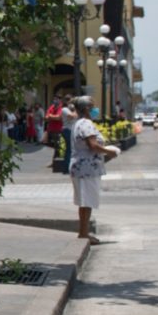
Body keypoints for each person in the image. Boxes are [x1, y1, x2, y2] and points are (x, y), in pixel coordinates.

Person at [69, 96, 117, 244]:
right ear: (87, 109)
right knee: (87, 201)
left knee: (84, 202)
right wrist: (110, 152)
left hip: (81, 166)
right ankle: (84, 233)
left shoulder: (78, 123)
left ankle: (83, 232)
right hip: (87, 168)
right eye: (93, 107)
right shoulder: (86, 123)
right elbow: (93, 145)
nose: (96, 109)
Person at [45, 95, 64, 164]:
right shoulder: (52, 107)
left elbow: (59, 118)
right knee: (52, 145)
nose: (55, 100)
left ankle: (55, 161)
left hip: (58, 130)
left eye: (56, 99)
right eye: (54, 99)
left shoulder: (61, 107)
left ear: (60, 100)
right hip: (50, 129)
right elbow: (46, 117)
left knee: (57, 146)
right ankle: (55, 161)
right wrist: (52, 116)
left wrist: (50, 116)